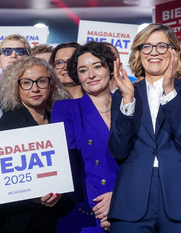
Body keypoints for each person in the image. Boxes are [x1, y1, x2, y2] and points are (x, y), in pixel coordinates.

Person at [107, 23, 181, 233]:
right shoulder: (124, 93)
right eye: (147, 47)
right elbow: (118, 150)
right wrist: (128, 100)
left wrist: (169, 91)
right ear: (139, 53)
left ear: (174, 52)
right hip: (133, 198)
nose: (154, 52)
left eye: (162, 46)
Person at [51, 41, 120, 233]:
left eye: (97, 66)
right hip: (90, 211)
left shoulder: (129, 105)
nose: (91, 75)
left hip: (131, 204)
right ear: (76, 75)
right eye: (83, 70)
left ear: (111, 68)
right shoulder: (67, 109)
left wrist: (121, 198)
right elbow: (68, 164)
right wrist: (104, 210)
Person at [0, 56, 70, 232]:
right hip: (19, 220)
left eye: (41, 81)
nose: (35, 88)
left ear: (51, 84)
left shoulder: (60, 118)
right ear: (16, 87)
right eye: (27, 83)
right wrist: (32, 196)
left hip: (57, 216)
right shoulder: (10, 122)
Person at [0, 34, 31, 118]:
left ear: (29, 59)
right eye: (6, 51)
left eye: (20, 51)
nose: (13, 55)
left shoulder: (38, 86)